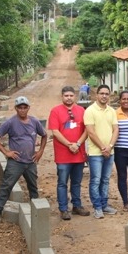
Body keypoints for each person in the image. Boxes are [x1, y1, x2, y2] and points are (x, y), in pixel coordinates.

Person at [0, 96, 47, 223]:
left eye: (24, 107)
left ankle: (35, 210)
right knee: (7, 185)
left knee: (33, 187)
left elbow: (44, 135)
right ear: (16, 108)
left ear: (28, 108)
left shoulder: (34, 122)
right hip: (15, 162)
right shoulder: (11, 122)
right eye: (20, 108)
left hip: (31, 161)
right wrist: (6, 152)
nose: (22, 110)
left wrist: (40, 151)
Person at [47, 86, 90, 221]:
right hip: (63, 155)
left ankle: (76, 206)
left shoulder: (82, 111)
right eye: (66, 96)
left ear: (75, 96)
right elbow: (55, 131)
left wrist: (78, 144)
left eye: (71, 95)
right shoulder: (55, 111)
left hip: (78, 153)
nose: (69, 98)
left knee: (76, 182)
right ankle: (63, 209)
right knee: (62, 183)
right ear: (62, 96)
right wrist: (69, 145)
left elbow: (87, 130)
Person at [84, 85, 119, 219]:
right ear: (96, 95)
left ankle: (104, 205)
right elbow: (91, 132)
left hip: (110, 152)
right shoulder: (90, 111)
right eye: (102, 93)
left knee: (105, 180)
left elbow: (116, 130)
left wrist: (110, 146)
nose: (104, 96)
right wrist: (103, 148)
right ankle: (97, 207)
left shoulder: (112, 111)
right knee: (96, 180)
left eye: (106, 94)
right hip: (95, 153)